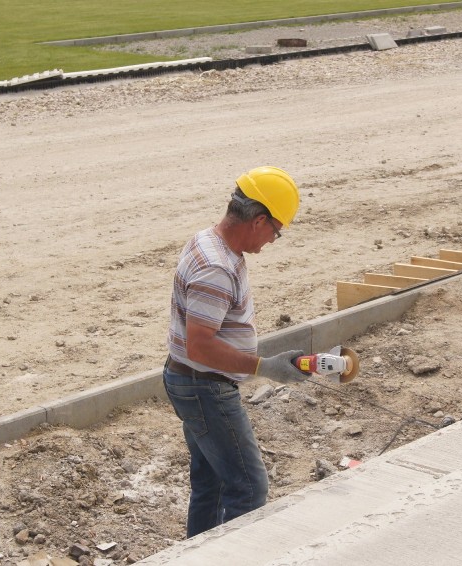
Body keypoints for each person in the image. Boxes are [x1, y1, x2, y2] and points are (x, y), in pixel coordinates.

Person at [163, 166, 310, 538]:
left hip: (192, 382)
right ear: (259, 220)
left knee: (211, 484)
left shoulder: (208, 242)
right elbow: (201, 345)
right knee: (248, 488)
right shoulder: (216, 266)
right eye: (277, 230)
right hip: (204, 387)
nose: (274, 239)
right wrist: (264, 366)